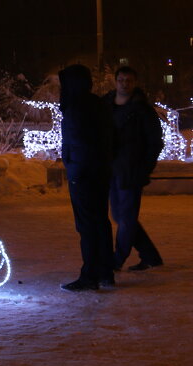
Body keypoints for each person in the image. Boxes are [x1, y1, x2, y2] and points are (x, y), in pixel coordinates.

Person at [58, 64, 115, 291]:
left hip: (83, 174)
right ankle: (105, 272)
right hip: (99, 171)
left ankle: (90, 275)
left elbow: (76, 143)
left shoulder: (75, 108)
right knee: (100, 221)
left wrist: (73, 167)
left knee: (87, 224)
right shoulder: (98, 104)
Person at [103, 66, 164, 271]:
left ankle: (116, 260)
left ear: (134, 82)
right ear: (115, 81)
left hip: (131, 170)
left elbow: (155, 141)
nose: (124, 84)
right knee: (119, 216)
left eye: (128, 80)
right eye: (121, 80)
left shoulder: (142, 109)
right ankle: (151, 256)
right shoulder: (106, 104)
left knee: (126, 218)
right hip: (112, 169)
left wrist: (145, 168)